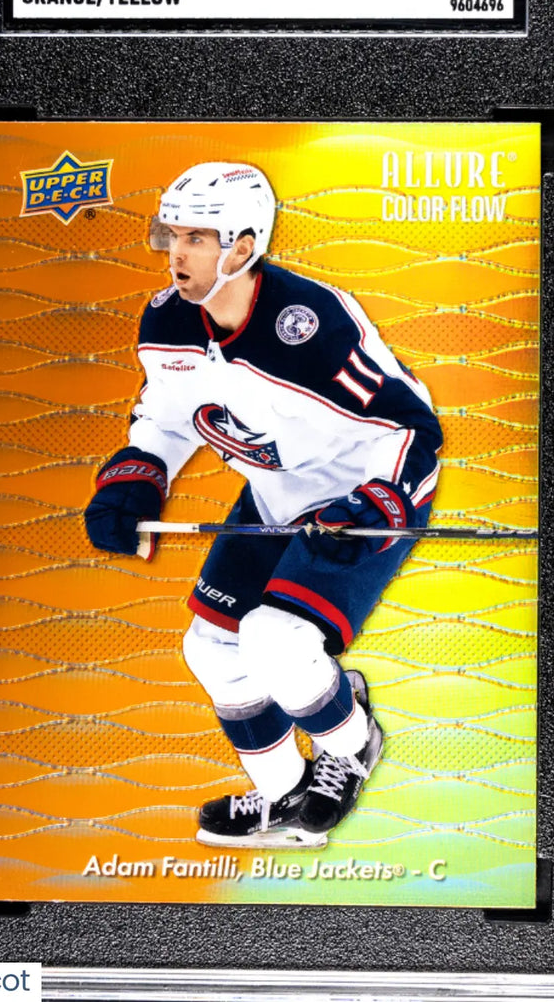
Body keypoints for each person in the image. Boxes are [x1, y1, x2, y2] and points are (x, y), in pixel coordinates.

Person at [84, 161, 442, 849]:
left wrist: (380, 501)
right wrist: (136, 477)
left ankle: (352, 744)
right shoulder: (166, 321)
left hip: (360, 499)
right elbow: (166, 418)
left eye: (196, 237)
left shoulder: (312, 326)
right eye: (171, 234)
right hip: (273, 496)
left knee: (275, 638)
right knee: (212, 647)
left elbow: (410, 426)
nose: (176, 252)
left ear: (243, 246)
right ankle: (284, 797)